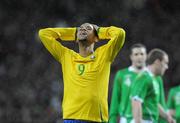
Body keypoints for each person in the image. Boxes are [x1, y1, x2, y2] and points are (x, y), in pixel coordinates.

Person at [38, 23, 125, 123]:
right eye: (81, 29)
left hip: (95, 119)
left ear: (96, 38)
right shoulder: (66, 56)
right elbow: (43, 34)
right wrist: (74, 32)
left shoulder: (104, 54)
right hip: (71, 118)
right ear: (76, 38)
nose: (83, 30)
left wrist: (100, 31)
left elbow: (120, 33)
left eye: (88, 29)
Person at [131, 48, 174, 123]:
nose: (167, 67)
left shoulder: (153, 79)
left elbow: (154, 103)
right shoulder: (144, 78)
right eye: (165, 63)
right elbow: (136, 100)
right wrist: (138, 121)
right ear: (157, 62)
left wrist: (167, 117)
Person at [109, 43, 147, 123]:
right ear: (131, 57)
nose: (139, 57)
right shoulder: (122, 75)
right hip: (126, 120)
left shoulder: (152, 76)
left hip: (147, 120)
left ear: (146, 56)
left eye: (142, 54)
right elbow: (115, 100)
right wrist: (112, 120)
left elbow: (159, 102)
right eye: (136, 54)